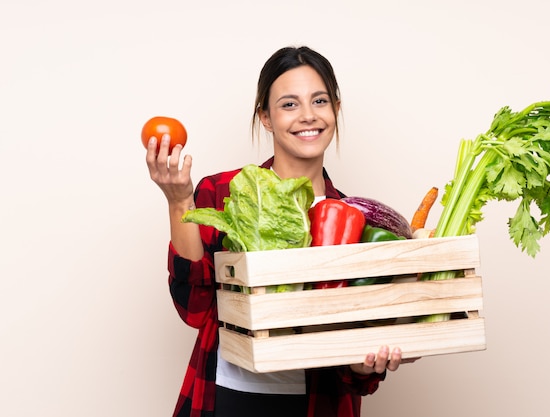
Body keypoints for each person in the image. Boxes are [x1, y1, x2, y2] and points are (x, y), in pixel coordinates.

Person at [146, 46, 415, 417]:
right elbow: (194, 309)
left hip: (318, 405)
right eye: (289, 104)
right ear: (266, 117)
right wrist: (179, 201)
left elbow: (355, 365)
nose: (308, 115)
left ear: (335, 109)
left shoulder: (357, 221)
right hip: (226, 398)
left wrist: (365, 363)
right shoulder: (223, 193)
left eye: (319, 101)